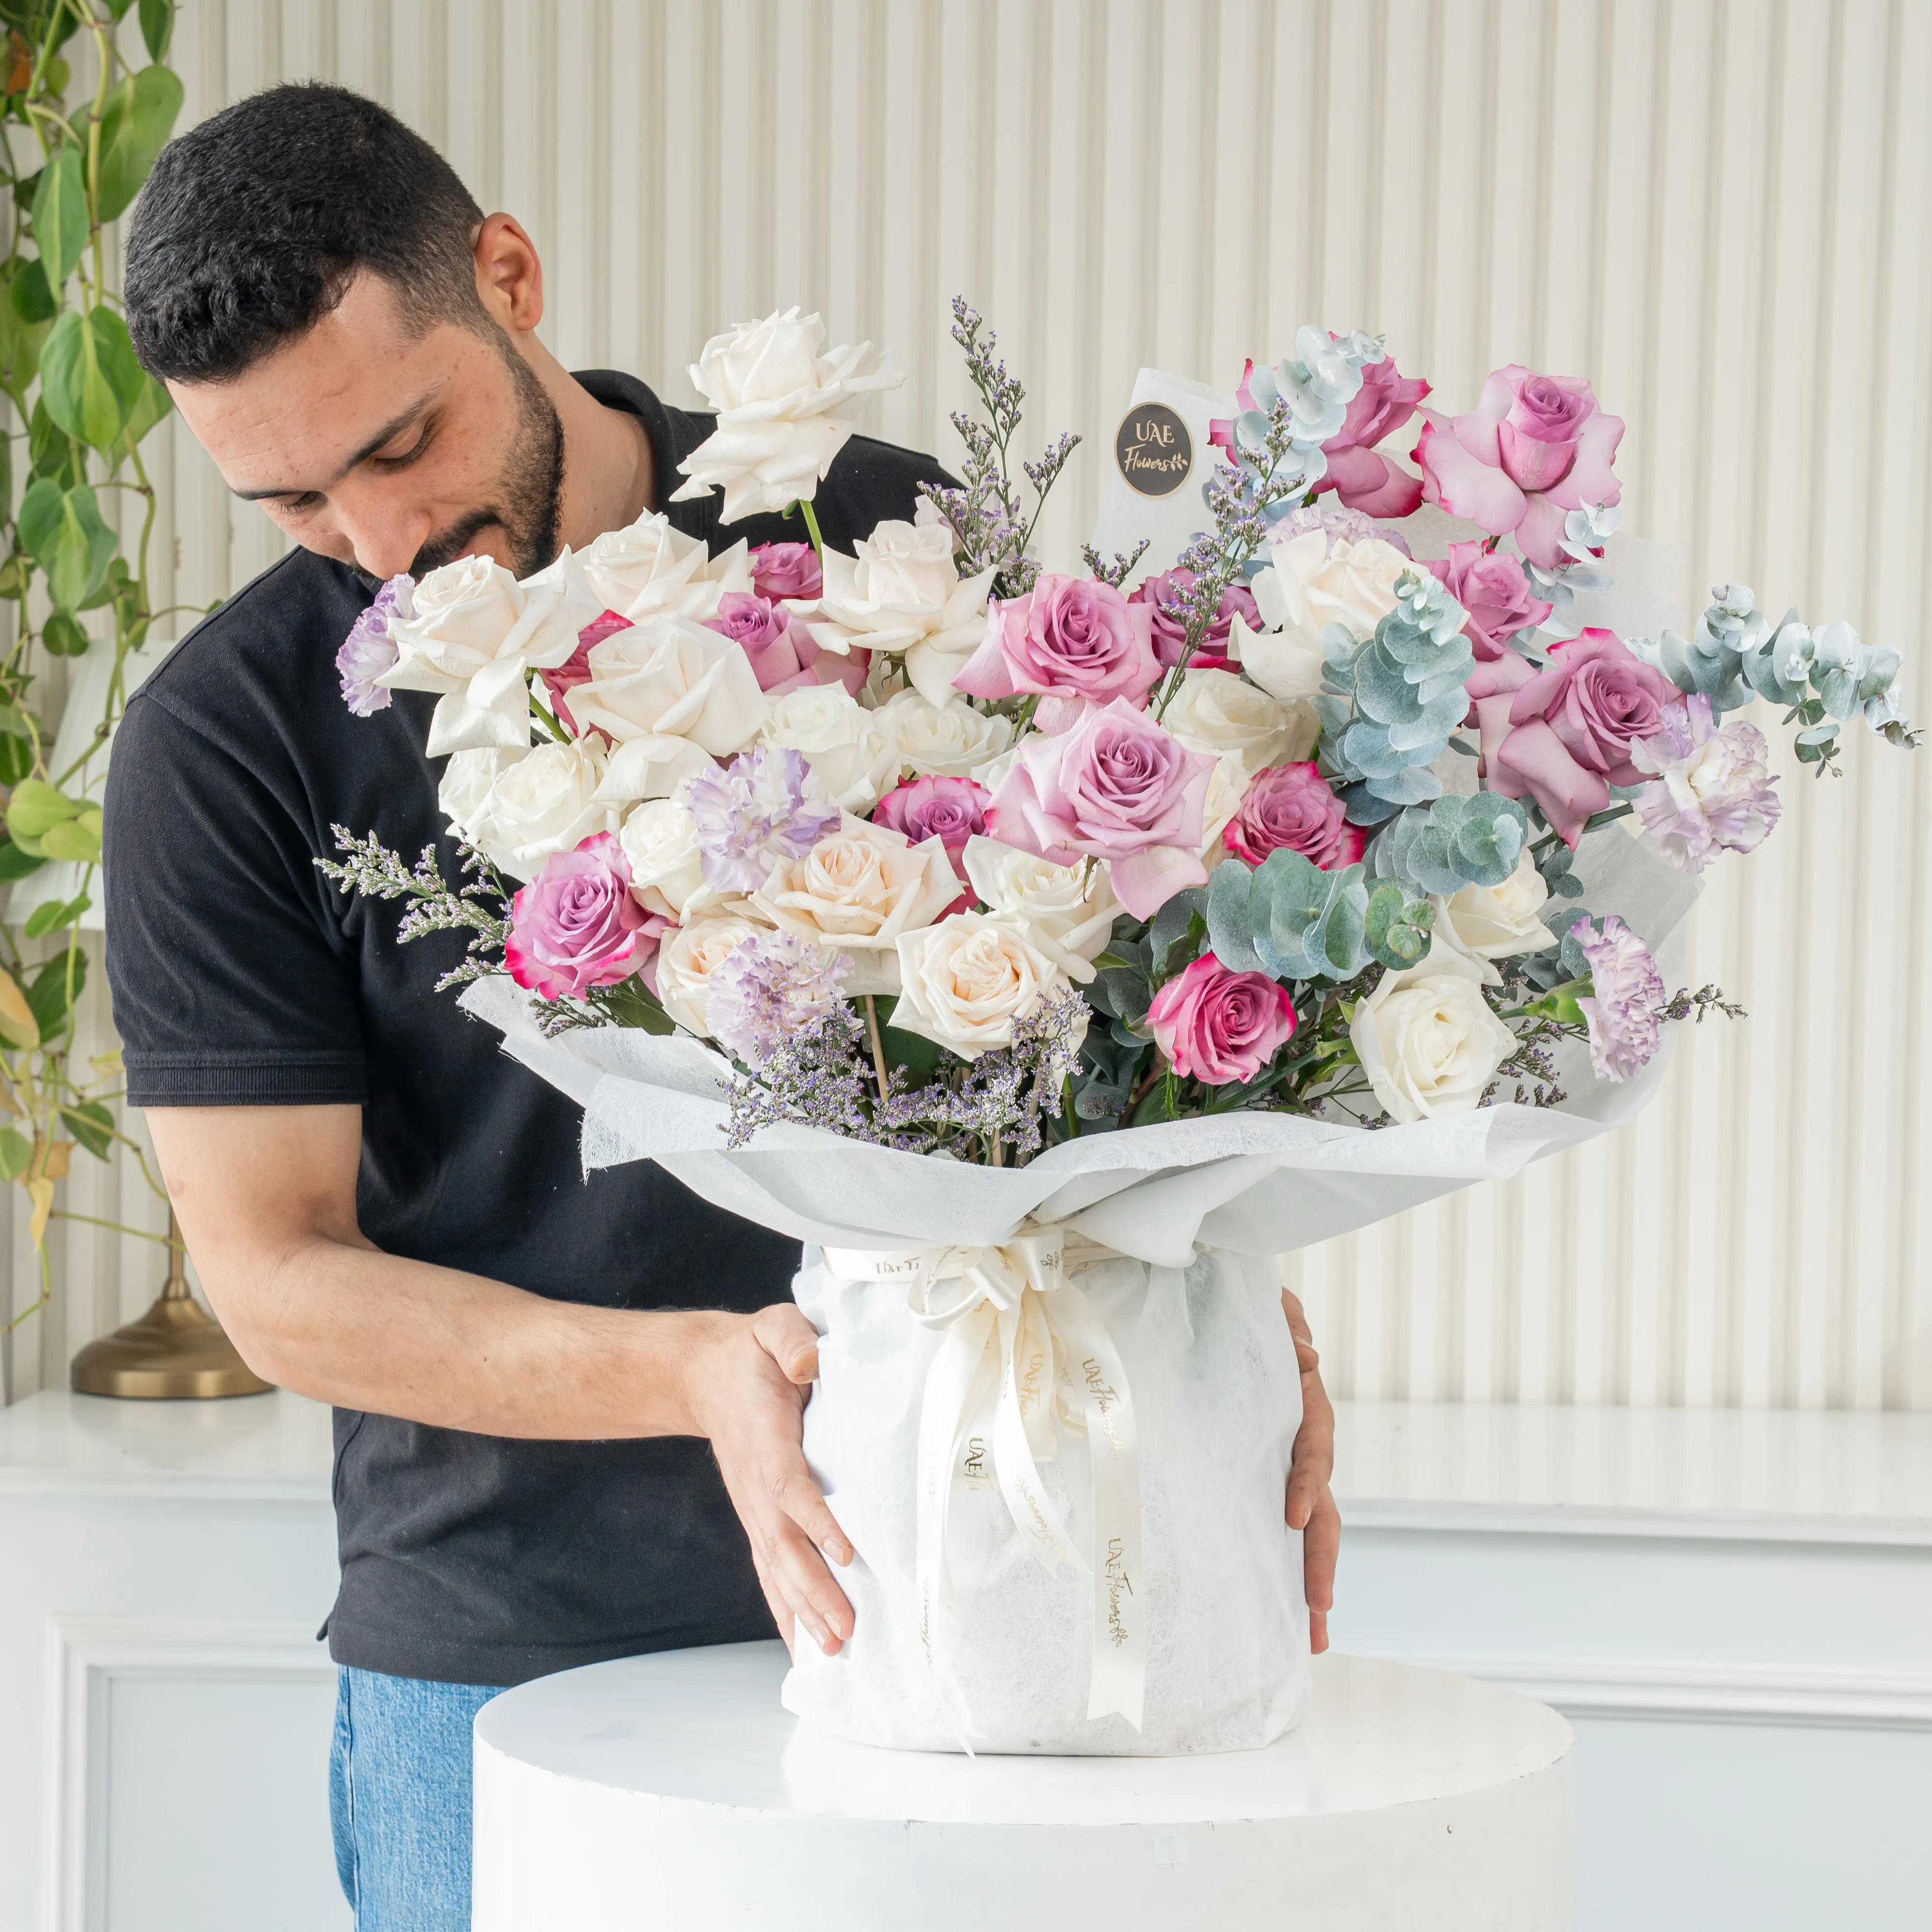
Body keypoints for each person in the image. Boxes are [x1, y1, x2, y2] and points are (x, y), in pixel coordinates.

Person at [104, 82, 1341, 1932]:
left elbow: (1104, 1019)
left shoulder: (880, 537)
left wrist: (1233, 1312)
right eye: (286, 497)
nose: (372, 540)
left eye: (402, 443)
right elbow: (272, 1274)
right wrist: (698, 1374)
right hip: (507, 1665)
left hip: (976, 1589)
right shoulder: (226, 739)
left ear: (508, 277)